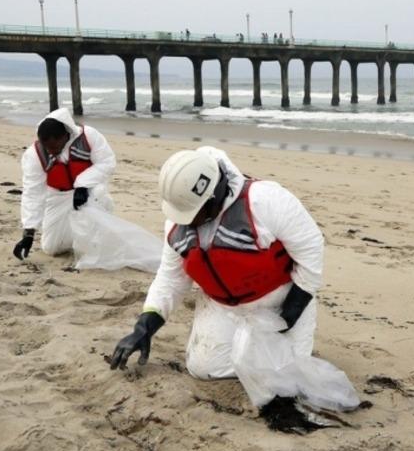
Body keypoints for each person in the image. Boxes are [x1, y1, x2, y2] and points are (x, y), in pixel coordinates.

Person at [109, 146, 359, 431]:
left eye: (193, 213)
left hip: (278, 302)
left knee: (286, 382)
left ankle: (277, 350)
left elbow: (311, 250)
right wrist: (144, 327)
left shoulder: (267, 201)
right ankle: (248, 350)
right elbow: (170, 280)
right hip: (223, 306)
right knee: (204, 370)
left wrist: (289, 315)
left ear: (214, 194)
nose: (186, 220)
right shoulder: (179, 219)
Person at [13, 108, 115, 260]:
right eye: (46, 146)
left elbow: (107, 162)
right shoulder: (34, 155)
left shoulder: (89, 136)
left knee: (99, 193)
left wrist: (82, 185)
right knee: (51, 248)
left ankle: (96, 232)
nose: (50, 151)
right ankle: (77, 236)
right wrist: (28, 232)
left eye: (53, 147)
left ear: (65, 136)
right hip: (58, 195)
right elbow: (33, 192)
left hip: (89, 190)